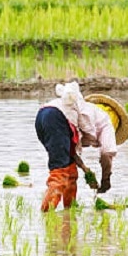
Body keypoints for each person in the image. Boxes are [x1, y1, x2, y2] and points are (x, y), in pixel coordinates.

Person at [35, 82, 96, 211]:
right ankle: (46, 213)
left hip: (42, 117)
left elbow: (70, 152)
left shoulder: (70, 109)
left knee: (69, 169)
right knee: (60, 172)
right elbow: (88, 133)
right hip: (55, 119)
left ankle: (69, 210)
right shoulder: (85, 113)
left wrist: (86, 170)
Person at [78, 93, 128, 193]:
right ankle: (105, 181)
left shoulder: (91, 110)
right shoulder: (107, 123)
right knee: (106, 154)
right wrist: (105, 180)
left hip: (84, 123)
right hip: (90, 123)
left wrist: (86, 171)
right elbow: (106, 154)